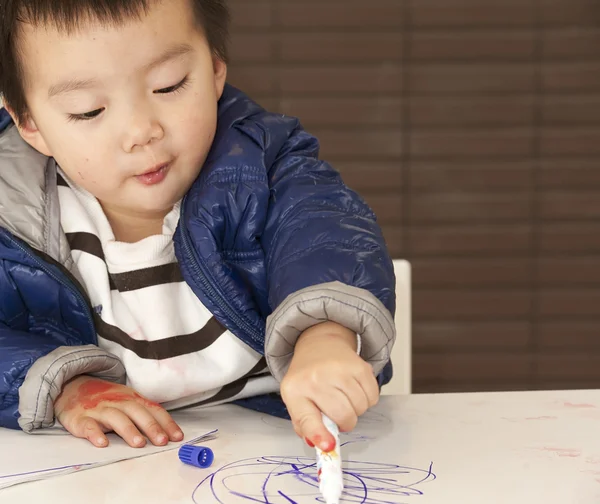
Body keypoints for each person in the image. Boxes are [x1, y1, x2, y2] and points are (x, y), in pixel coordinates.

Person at [0, 0, 396, 452]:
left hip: (276, 446)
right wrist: (65, 388)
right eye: (89, 111)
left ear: (214, 71)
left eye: (169, 86)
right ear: (30, 124)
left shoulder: (266, 168)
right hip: (104, 470)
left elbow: (328, 235)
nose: (141, 130)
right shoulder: (12, 215)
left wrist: (323, 336)